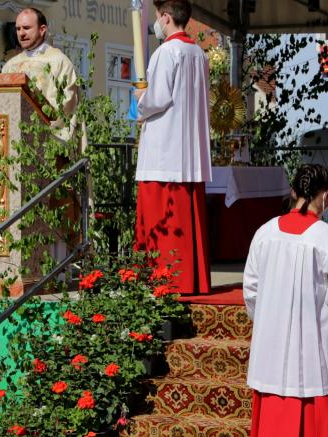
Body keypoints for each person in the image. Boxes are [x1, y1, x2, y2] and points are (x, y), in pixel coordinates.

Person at [244, 164, 328, 437]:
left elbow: (251, 292)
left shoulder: (264, 234)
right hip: (318, 362)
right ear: (325, 196)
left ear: (293, 191)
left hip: (270, 360)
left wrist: (267, 324)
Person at [133, 0, 212, 294]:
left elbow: (157, 98)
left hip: (164, 150)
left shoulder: (167, 52)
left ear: (166, 17)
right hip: (189, 149)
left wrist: (140, 98)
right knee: (187, 218)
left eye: (156, 16)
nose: (156, 23)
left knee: (162, 220)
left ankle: (168, 281)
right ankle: (192, 279)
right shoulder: (198, 53)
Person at [2, 7, 80, 142]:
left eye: (26, 28)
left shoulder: (59, 62)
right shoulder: (10, 66)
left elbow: (68, 103)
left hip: (46, 140)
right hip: (14, 140)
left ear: (42, 29)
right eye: (18, 29)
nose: (21, 33)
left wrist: (46, 129)